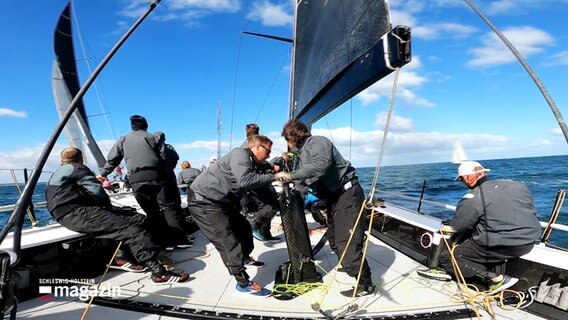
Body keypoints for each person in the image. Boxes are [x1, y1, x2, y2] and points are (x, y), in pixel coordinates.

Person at [45, 147, 189, 284]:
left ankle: (123, 257)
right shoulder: (77, 168)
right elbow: (96, 191)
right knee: (134, 232)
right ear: (80, 159)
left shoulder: (59, 172)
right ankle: (159, 273)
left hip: (72, 212)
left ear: (61, 160)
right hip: (76, 213)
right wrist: (109, 207)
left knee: (138, 219)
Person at [275, 119, 374, 297]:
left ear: (292, 137)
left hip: (348, 194)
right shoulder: (302, 153)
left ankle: (366, 284)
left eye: (287, 141)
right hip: (334, 198)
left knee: (347, 243)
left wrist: (290, 175)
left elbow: (319, 167)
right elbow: (303, 182)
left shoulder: (318, 142)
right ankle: (349, 265)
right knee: (335, 240)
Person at [417, 161, 542, 294]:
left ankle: (497, 279)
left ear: (466, 178)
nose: (463, 182)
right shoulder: (517, 186)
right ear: (482, 172)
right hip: (529, 241)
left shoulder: (473, 197)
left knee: (448, 257)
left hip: (502, 245)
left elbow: (460, 226)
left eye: (461, 179)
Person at [187, 135, 277, 298]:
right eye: (268, 151)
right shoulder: (240, 154)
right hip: (203, 201)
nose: (269, 155)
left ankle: (243, 258)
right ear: (256, 147)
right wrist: (275, 176)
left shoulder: (250, 160)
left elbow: (261, 172)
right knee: (227, 240)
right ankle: (243, 284)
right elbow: (246, 180)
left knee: (243, 228)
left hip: (220, 201)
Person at [97, 115, 169, 247]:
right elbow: (164, 158)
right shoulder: (154, 137)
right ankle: (169, 240)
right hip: (157, 177)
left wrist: (103, 174)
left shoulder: (124, 139)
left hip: (137, 179)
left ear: (132, 127)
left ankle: (157, 242)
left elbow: (113, 160)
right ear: (146, 126)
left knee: (150, 211)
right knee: (163, 208)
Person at [238, 123, 281, 243]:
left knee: (268, 205)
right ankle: (256, 227)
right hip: (257, 180)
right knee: (272, 204)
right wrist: (272, 169)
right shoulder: (255, 145)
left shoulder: (244, 145)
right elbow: (258, 164)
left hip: (259, 180)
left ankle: (265, 233)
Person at [153, 131, 194, 251]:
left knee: (164, 209)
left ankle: (170, 241)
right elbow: (176, 158)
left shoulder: (150, 148)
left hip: (158, 181)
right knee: (175, 207)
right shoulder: (168, 147)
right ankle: (182, 238)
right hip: (169, 179)